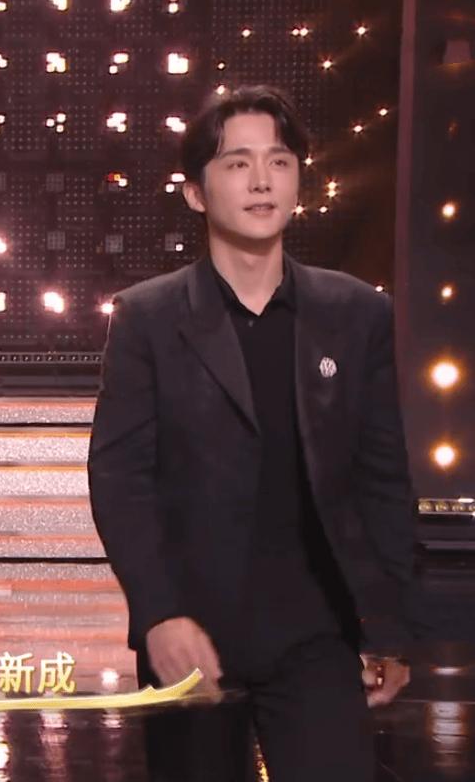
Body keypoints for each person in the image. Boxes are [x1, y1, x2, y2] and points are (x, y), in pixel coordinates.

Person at [88, 85, 416, 781]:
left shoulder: (356, 313)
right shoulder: (148, 318)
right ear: (196, 193)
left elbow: (383, 477)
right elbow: (120, 480)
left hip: (320, 635)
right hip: (192, 636)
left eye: (280, 161)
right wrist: (158, 615)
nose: (263, 180)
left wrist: (388, 627)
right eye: (238, 163)